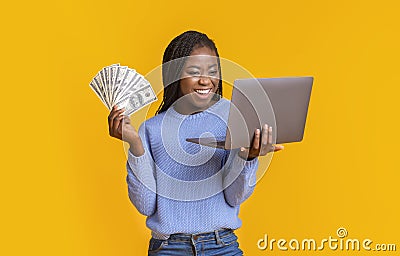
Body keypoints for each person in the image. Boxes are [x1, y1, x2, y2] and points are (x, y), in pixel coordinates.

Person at [108, 30, 283, 256]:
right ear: (175, 75)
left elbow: (234, 197)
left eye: (212, 71)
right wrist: (135, 145)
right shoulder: (151, 129)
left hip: (222, 246)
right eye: (194, 72)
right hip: (169, 248)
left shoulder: (233, 117)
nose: (205, 80)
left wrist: (248, 157)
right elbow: (145, 206)